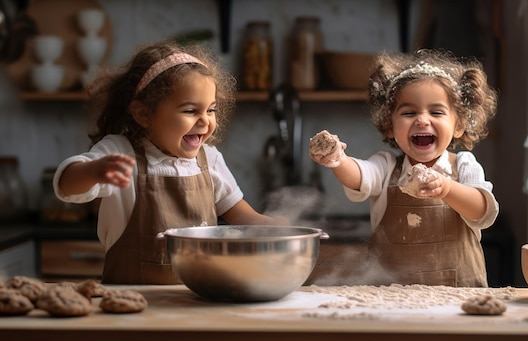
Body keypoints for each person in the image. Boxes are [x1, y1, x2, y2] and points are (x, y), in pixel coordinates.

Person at [53, 40, 285, 285]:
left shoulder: (210, 159)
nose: (205, 121)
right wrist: (94, 171)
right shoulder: (121, 153)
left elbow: (241, 215)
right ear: (143, 114)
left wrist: (275, 227)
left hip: (198, 303)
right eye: (190, 111)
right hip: (133, 309)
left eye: (211, 110)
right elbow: (67, 186)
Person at [309, 49, 499, 287]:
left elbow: (482, 211)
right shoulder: (386, 166)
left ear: (458, 125)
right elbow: (360, 176)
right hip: (392, 297)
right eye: (409, 112)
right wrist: (338, 159)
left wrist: (447, 189)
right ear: (389, 126)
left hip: (458, 297)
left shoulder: (463, 166)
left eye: (436, 112)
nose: (422, 120)